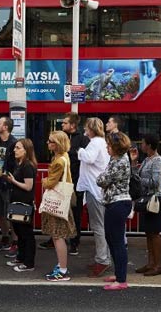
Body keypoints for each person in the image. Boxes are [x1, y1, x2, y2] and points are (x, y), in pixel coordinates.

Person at [39, 112, 89, 256]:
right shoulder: (62, 145)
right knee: (57, 211)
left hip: (75, 181)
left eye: (65, 123)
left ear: (73, 125)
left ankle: (74, 242)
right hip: (64, 181)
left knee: (75, 213)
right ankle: (54, 237)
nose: (62, 124)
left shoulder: (82, 140)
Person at [97, 132, 133, 290]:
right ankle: (118, 274)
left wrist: (102, 177)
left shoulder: (120, 162)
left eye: (109, 145)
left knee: (117, 241)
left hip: (118, 203)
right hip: (113, 202)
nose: (107, 147)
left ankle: (121, 279)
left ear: (117, 147)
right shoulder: (116, 159)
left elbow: (102, 180)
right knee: (111, 238)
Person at [77, 117, 111, 277]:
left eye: (86, 128)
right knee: (103, 226)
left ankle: (102, 260)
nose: (85, 131)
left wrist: (80, 150)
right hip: (100, 189)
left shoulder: (95, 143)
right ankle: (104, 258)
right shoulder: (103, 142)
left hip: (94, 188)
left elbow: (88, 158)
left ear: (91, 129)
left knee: (98, 227)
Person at [41, 130, 77, 282]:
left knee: (57, 236)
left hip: (58, 202)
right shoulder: (64, 157)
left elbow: (50, 182)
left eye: (51, 141)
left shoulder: (58, 161)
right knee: (58, 235)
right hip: (64, 200)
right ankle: (61, 266)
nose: (48, 143)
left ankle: (62, 270)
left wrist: (44, 182)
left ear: (57, 144)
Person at [130, 133, 161, 276]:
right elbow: (135, 175)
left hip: (155, 199)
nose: (141, 145)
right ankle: (151, 263)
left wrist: (140, 181)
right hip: (147, 199)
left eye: (143, 143)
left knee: (155, 233)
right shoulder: (146, 160)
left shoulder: (157, 160)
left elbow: (156, 182)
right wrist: (134, 162)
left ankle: (157, 265)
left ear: (149, 145)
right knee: (148, 233)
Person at [5, 138, 37, 272]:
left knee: (26, 233)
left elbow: (28, 186)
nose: (15, 150)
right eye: (15, 148)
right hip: (17, 202)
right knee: (18, 231)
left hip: (24, 203)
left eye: (18, 148)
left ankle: (28, 263)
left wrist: (13, 181)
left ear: (26, 150)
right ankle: (21, 257)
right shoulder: (19, 164)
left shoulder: (28, 165)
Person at [0, 116, 18, 256]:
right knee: (0, 214)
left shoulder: (14, 143)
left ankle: (15, 242)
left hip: (8, 184)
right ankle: (5, 239)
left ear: (6, 127)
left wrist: (10, 179)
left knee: (11, 214)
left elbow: (16, 164)